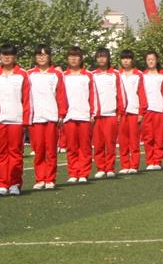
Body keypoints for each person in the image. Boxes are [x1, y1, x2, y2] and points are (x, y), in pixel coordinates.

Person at [0, 44, 30, 195]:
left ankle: (15, 183)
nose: (7, 57)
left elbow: (27, 98)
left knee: (15, 153)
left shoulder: (22, 74)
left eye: (10, 55)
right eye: (4, 54)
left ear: (15, 57)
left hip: (16, 120)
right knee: (1, 153)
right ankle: (2, 184)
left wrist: (26, 120)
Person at [27, 46, 65, 189]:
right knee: (39, 150)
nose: (41, 57)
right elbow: (25, 96)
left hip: (51, 116)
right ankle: (40, 179)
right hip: (35, 117)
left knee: (51, 150)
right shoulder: (29, 74)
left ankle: (50, 179)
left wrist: (61, 113)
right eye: (39, 55)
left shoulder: (57, 74)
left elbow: (61, 95)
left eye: (44, 55)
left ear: (49, 56)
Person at [61, 46, 97, 183]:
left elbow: (93, 95)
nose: (73, 59)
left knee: (85, 147)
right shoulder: (63, 76)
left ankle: (83, 173)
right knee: (71, 147)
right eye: (71, 56)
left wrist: (93, 113)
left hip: (84, 115)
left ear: (81, 59)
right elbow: (59, 96)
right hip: (69, 116)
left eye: (76, 56)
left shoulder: (88, 75)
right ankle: (73, 172)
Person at [90, 48, 123, 178]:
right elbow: (90, 95)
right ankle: (100, 168)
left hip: (111, 114)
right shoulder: (92, 75)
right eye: (99, 57)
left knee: (110, 143)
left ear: (108, 58)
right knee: (98, 144)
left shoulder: (115, 74)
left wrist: (119, 111)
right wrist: (91, 113)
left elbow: (120, 94)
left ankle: (110, 168)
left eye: (104, 56)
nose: (101, 59)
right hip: (97, 116)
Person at [117, 50, 145, 173]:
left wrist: (141, 112)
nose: (126, 61)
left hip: (134, 110)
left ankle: (134, 165)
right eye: (124, 58)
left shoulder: (138, 75)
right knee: (123, 141)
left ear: (132, 60)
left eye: (128, 58)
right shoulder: (117, 74)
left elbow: (142, 93)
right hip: (121, 112)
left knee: (134, 140)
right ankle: (125, 165)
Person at [140, 52, 163, 170]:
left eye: (153, 59)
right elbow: (140, 93)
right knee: (148, 137)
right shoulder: (142, 76)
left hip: (159, 109)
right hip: (147, 110)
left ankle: (157, 161)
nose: (151, 61)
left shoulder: (162, 76)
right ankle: (150, 161)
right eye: (148, 59)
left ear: (157, 60)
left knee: (158, 137)